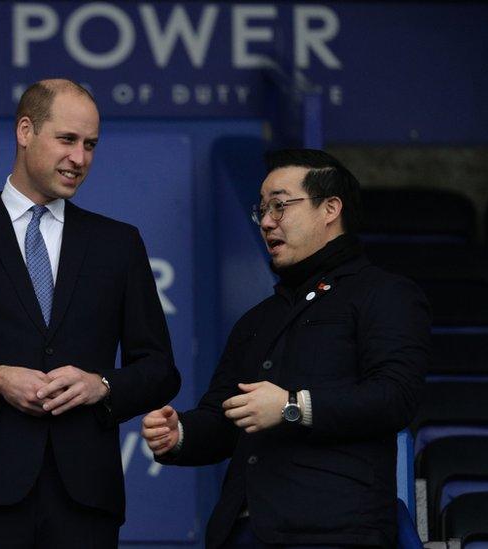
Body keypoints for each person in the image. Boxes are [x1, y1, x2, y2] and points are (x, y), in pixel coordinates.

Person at [0, 78, 181, 547]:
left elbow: (159, 368)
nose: (80, 158)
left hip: (86, 500)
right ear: (25, 131)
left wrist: (101, 385)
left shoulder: (119, 243)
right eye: (67, 139)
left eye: (90, 145)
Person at [142, 149, 429, 547]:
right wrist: (180, 435)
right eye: (261, 209)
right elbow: (224, 416)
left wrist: (293, 406)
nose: (266, 222)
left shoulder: (383, 293)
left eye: (279, 205)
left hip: (334, 532)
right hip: (241, 530)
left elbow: (396, 396)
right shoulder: (257, 319)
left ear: (330, 208)